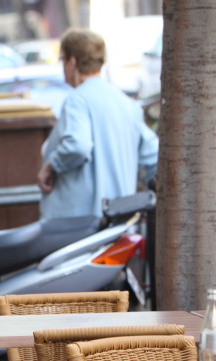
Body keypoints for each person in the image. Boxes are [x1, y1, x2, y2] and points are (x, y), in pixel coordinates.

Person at [37, 28, 158, 219]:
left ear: (72, 61)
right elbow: (153, 155)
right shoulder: (127, 103)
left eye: (63, 60)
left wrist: (52, 166)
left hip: (80, 223)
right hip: (117, 218)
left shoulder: (77, 100)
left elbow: (78, 146)